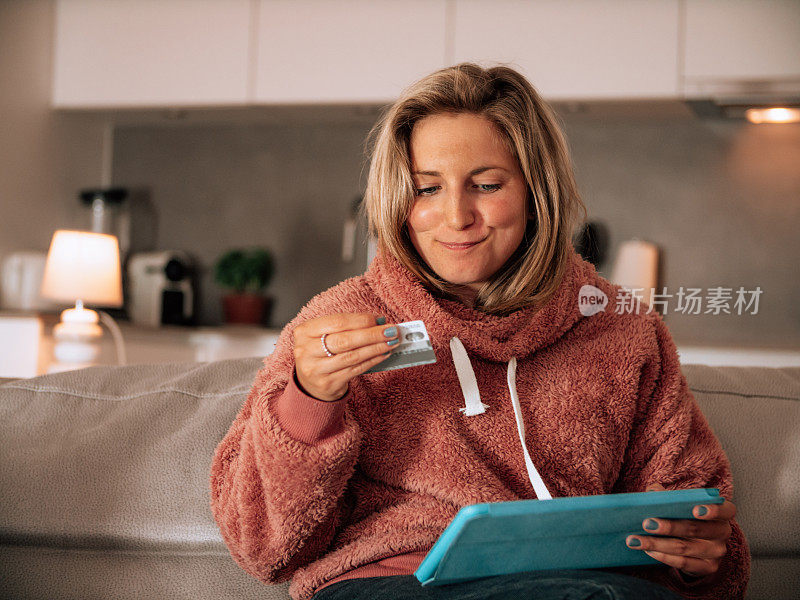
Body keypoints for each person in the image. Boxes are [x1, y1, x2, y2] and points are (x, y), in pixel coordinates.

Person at [209, 63, 750, 600]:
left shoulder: (621, 328)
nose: (456, 216)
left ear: (537, 192)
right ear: (398, 201)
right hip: (390, 582)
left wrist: (698, 559)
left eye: (486, 185)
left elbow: (692, 514)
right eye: (426, 190)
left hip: (578, 582)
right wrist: (310, 397)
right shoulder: (342, 320)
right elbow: (263, 548)